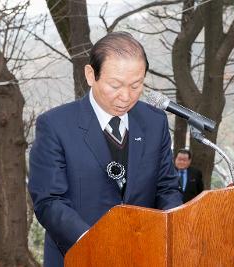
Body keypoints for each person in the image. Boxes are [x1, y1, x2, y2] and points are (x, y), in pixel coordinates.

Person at [28, 32, 183, 267]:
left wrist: (172, 231)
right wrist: (95, 243)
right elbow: (49, 201)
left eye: (136, 85)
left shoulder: (154, 121)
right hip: (79, 256)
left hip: (144, 256)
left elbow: (166, 187)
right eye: (115, 85)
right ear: (91, 75)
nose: (126, 96)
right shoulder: (55, 125)